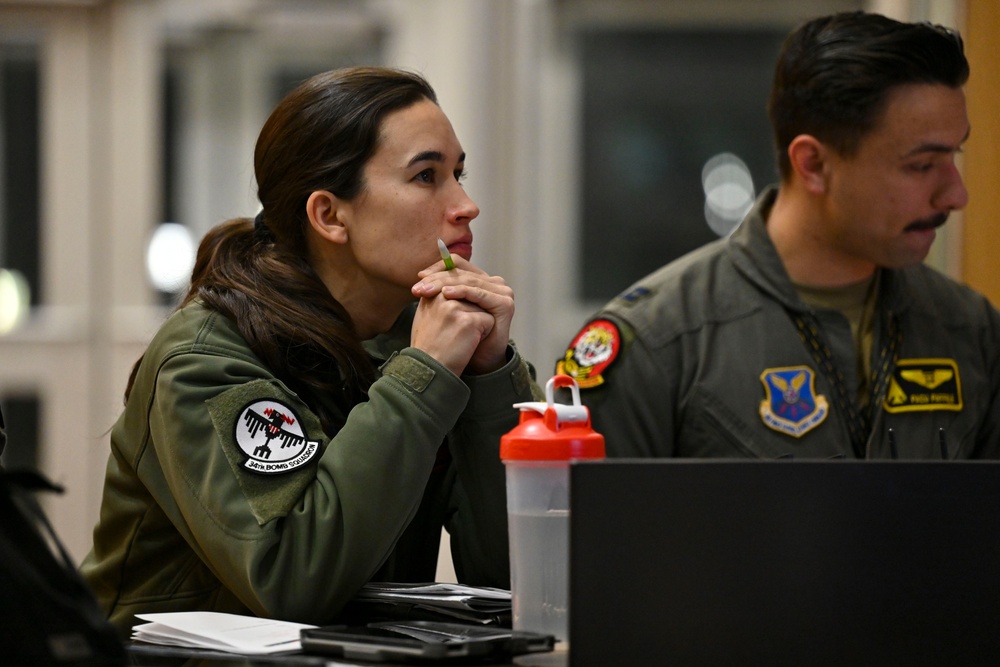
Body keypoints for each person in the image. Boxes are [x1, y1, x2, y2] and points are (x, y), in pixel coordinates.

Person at [81, 66, 540, 635]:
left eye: (459, 173)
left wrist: (492, 377)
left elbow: (522, 582)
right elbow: (293, 580)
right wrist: (424, 376)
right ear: (329, 214)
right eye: (427, 176)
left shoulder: (424, 341)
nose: (466, 205)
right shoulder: (206, 358)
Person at [556, 11, 1000, 460]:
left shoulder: (971, 331)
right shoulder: (660, 343)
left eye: (954, 156)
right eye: (922, 166)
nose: (956, 195)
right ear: (814, 165)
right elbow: (595, 528)